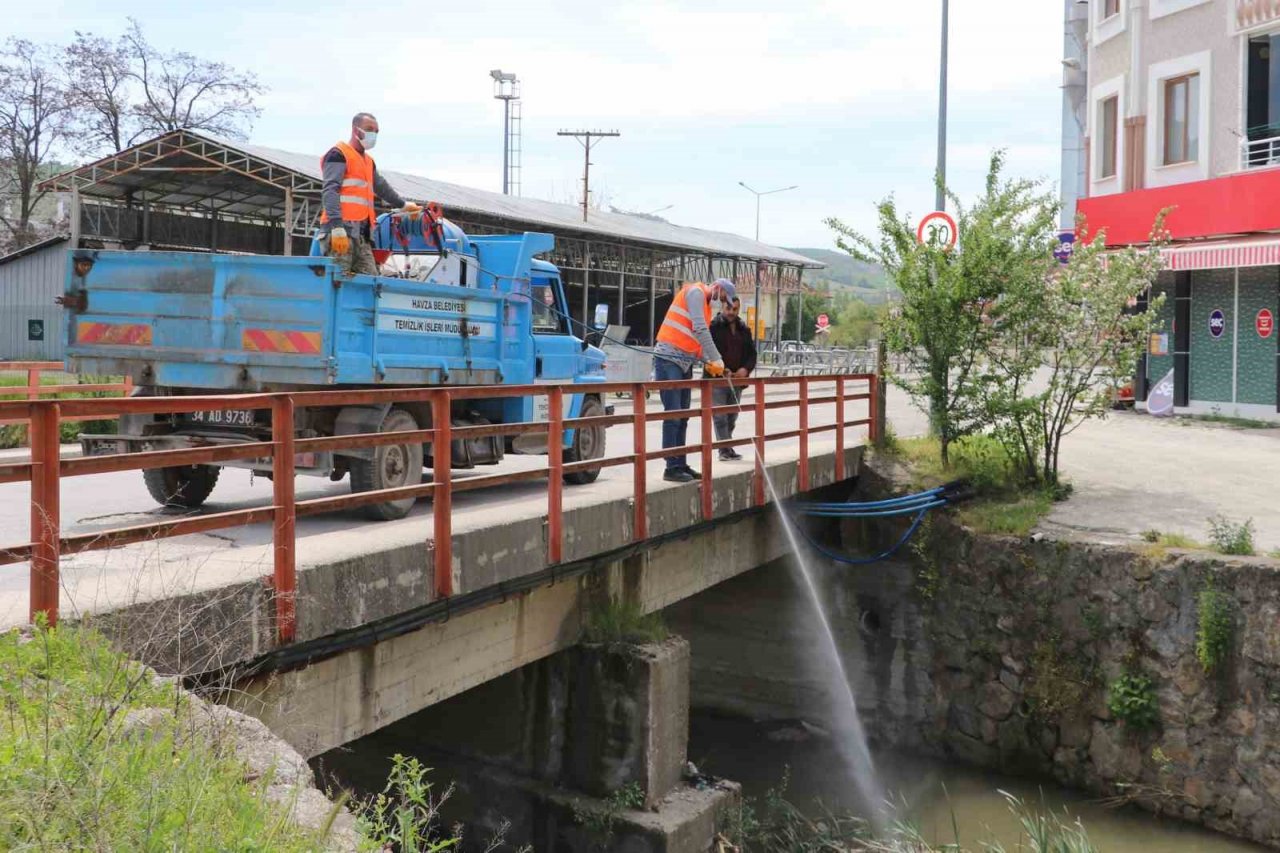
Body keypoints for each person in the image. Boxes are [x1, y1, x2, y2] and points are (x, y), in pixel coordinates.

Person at [652, 278, 735, 483]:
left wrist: (709, 361)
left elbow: (694, 339)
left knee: (684, 415)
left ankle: (680, 463)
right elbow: (700, 330)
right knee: (674, 415)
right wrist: (716, 358)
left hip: (684, 362)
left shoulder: (705, 306)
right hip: (668, 358)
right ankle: (671, 467)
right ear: (718, 288)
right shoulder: (696, 293)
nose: (722, 302)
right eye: (723, 298)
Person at [319, 112, 422, 275]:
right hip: (340, 232)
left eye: (376, 131)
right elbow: (330, 191)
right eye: (369, 129)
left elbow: (381, 186)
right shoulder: (338, 154)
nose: (373, 134)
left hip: (362, 235)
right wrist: (336, 227)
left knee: (370, 283)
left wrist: (403, 205)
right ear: (356, 129)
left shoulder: (368, 161)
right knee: (339, 281)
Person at [705, 296, 757, 460]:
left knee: (732, 416)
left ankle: (727, 447)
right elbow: (706, 351)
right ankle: (723, 450)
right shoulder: (713, 327)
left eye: (734, 309)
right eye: (728, 309)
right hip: (717, 379)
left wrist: (745, 369)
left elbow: (752, 354)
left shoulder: (744, 329)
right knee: (720, 416)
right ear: (722, 308)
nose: (731, 312)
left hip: (737, 380)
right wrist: (721, 368)